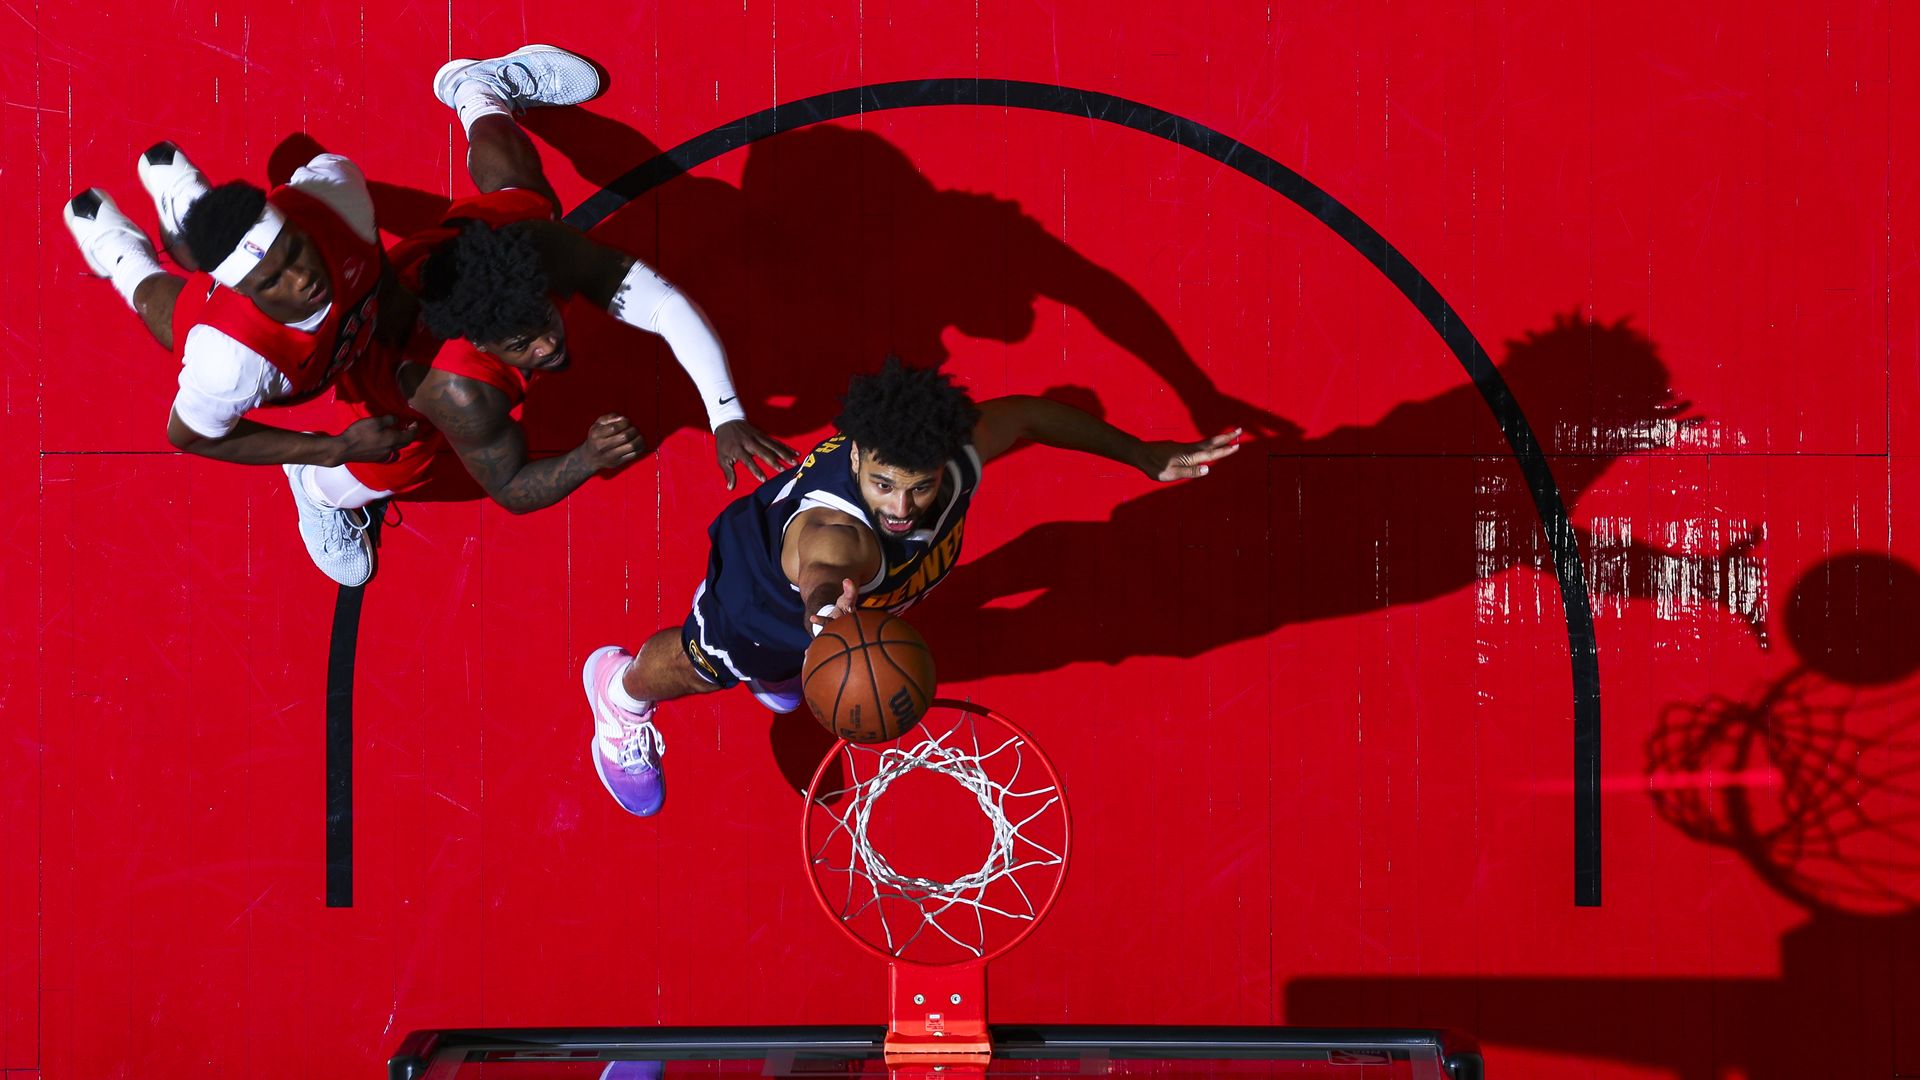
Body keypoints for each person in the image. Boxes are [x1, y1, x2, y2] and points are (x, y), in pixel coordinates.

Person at [578, 358, 1243, 816]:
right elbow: (819, 569)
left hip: (844, 602)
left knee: (810, 666)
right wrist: (821, 616)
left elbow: (1034, 416)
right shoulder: (840, 535)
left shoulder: (949, 453)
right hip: (765, 598)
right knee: (703, 667)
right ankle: (619, 693)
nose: (901, 506)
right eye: (885, 485)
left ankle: (787, 673)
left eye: (919, 487)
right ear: (859, 454)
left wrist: (1145, 455)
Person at [351, 44, 794, 512]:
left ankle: (478, 90)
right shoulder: (459, 394)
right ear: (481, 344)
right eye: (523, 344)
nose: (548, 345)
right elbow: (509, 489)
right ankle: (317, 492)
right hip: (373, 372)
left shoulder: (539, 252)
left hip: (438, 265)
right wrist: (587, 457)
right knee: (394, 461)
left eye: (544, 321)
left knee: (522, 198)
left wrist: (726, 415)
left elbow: (665, 307)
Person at [64, 143, 423, 585]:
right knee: (174, 316)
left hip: (335, 333)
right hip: (277, 359)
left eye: (295, 250)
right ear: (242, 291)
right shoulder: (228, 359)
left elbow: (367, 255)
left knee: (220, 239)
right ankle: (124, 258)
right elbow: (190, 435)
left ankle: (190, 202)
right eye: (273, 281)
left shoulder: (334, 191)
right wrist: (334, 450)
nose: (303, 277)